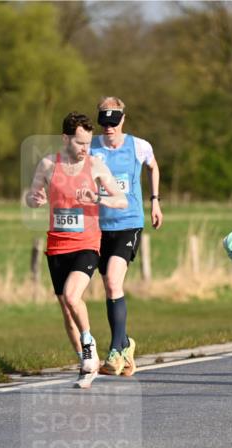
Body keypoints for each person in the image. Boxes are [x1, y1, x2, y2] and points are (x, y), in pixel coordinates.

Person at [26, 112, 128, 388]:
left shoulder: (95, 165)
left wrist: (98, 197)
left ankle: (88, 343)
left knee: (73, 296)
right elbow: (32, 197)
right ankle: (86, 366)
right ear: (65, 138)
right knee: (67, 309)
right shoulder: (48, 164)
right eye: (80, 143)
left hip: (87, 243)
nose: (85, 148)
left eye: (88, 142)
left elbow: (122, 201)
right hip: (57, 245)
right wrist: (35, 198)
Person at [89, 97, 163, 377]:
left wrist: (155, 201)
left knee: (112, 280)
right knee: (110, 287)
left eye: (113, 121)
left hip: (128, 222)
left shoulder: (139, 146)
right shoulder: (90, 146)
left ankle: (114, 351)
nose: (109, 128)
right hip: (98, 226)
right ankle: (126, 346)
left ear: (123, 119)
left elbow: (153, 166)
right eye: (104, 122)